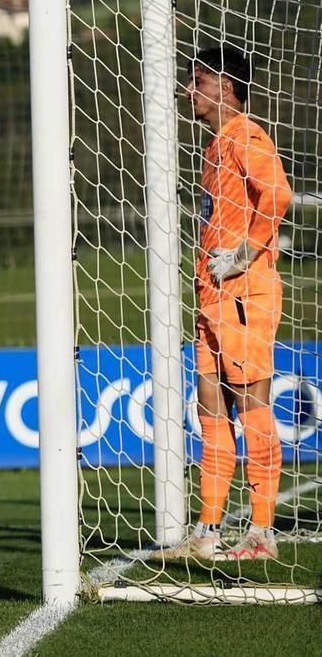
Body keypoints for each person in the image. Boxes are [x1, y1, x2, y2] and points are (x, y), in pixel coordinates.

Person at [155, 46, 292, 562]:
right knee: (210, 405)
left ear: (225, 87)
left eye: (198, 81)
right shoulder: (216, 144)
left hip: (245, 290)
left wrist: (243, 254)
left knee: (251, 402)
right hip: (213, 292)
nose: (189, 91)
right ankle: (207, 530)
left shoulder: (246, 135)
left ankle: (261, 533)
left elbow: (278, 195)